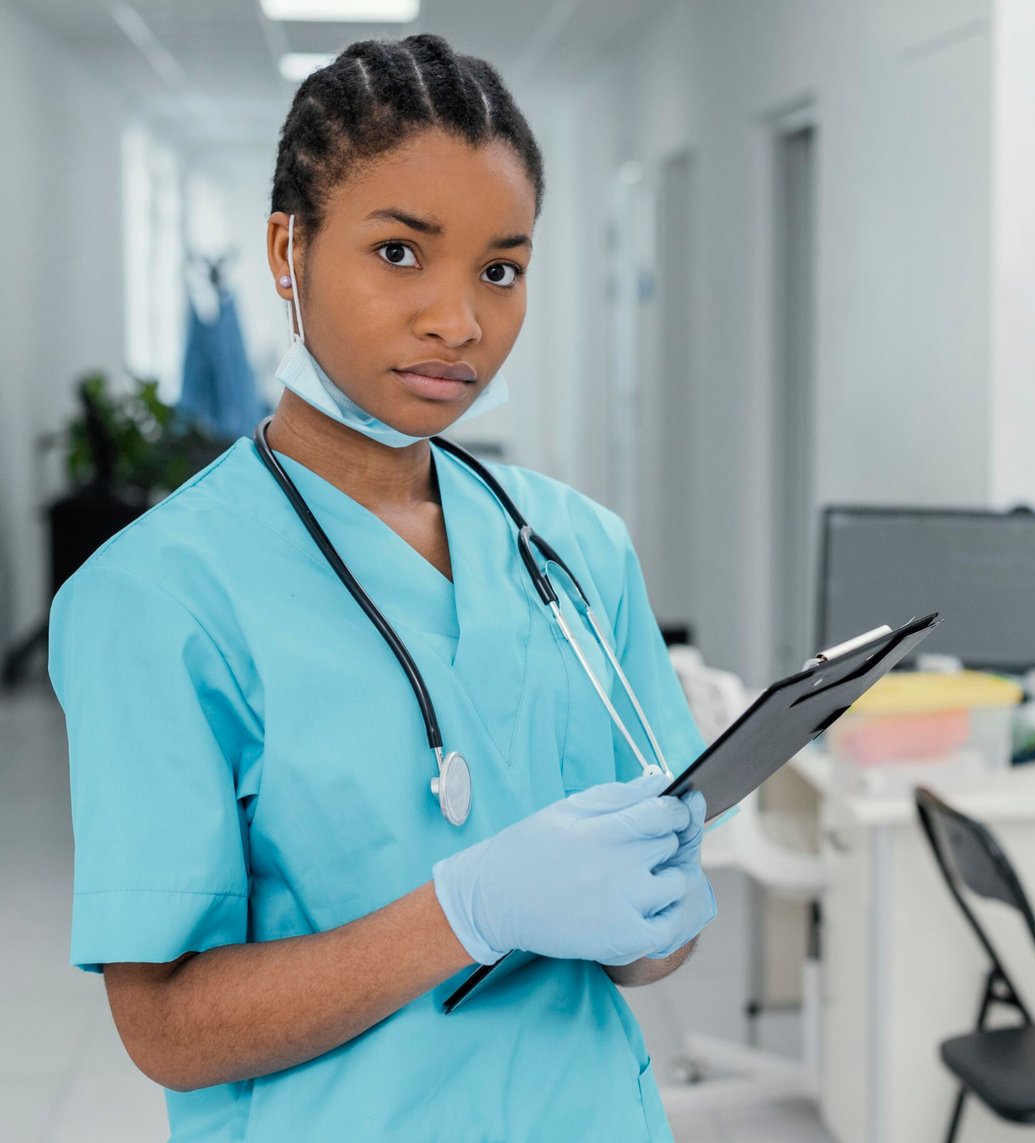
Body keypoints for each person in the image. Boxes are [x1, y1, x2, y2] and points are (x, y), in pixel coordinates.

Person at [48, 34, 714, 1141]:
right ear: (287, 249)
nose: (459, 320)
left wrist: (660, 917)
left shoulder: (576, 547)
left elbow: (650, 950)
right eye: (401, 253)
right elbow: (165, 1026)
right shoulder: (158, 598)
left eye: (500, 269)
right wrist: (470, 909)